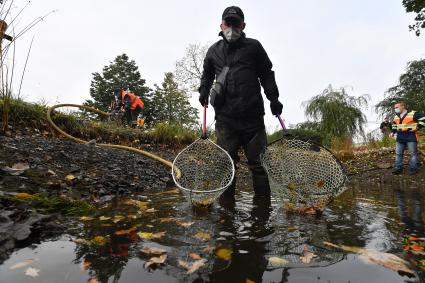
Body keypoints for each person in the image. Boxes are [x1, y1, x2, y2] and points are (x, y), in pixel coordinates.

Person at [198, 6, 283, 199]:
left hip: (253, 118)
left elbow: (267, 74)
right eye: (229, 23)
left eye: (236, 23)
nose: (232, 27)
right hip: (225, 119)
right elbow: (207, 75)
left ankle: (263, 214)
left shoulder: (254, 47)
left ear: (243, 25)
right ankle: (226, 216)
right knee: (226, 164)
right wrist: (203, 89)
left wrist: (274, 98)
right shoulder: (213, 51)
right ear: (221, 24)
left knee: (259, 165)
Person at [391, 102, 425, 175]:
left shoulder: (413, 114)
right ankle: (398, 168)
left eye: (397, 107)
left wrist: (418, 127)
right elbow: (394, 125)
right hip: (400, 137)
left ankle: (413, 169)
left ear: (403, 106)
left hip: (411, 136)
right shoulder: (396, 116)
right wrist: (393, 132)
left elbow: (423, 119)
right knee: (398, 154)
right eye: (395, 108)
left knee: (413, 154)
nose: (395, 109)